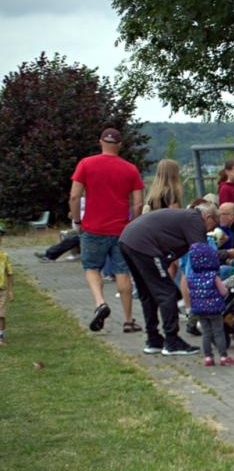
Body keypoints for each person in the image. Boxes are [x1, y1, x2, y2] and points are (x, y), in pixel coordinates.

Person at [68, 127, 143, 334]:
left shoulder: (86, 164)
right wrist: (133, 225)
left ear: (100, 142)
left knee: (92, 267)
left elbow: (75, 196)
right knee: (122, 272)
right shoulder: (130, 169)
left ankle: (100, 303)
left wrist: (77, 220)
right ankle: (128, 320)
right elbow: (137, 204)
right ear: (119, 145)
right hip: (121, 229)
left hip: (93, 227)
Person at [117, 204, 213, 356]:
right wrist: (225, 255)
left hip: (128, 240)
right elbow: (201, 253)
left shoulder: (185, 217)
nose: (210, 231)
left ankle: (153, 339)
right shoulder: (195, 220)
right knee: (167, 293)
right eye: (213, 225)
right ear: (208, 218)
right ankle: (172, 341)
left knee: (147, 292)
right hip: (143, 245)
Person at [183, 240, 233, 367]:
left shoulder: (192, 276)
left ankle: (208, 357)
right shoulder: (213, 275)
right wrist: (226, 290)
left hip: (199, 309)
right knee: (218, 332)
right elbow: (223, 291)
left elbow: (190, 292)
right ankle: (223, 356)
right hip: (214, 308)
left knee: (206, 333)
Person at [0, 223, 12, 345]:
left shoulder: (4, 256)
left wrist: (10, 290)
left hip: (1, 290)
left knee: (1, 314)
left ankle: (1, 336)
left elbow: (9, 273)